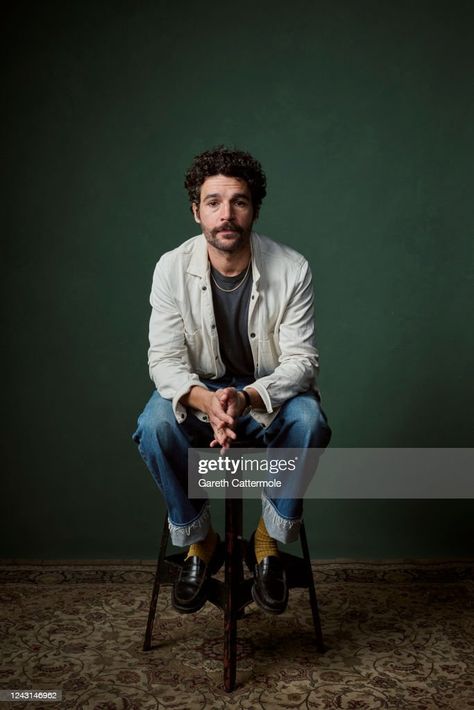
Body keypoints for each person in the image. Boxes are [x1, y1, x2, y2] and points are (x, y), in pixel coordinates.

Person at [133, 146, 331, 616]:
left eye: (238, 201)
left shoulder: (292, 268)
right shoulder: (170, 268)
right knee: (155, 423)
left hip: (265, 397)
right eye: (214, 201)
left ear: (254, 209)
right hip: (201, 396)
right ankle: (201, 541)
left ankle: (268, 540)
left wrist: (245, 397)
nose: (226, 214)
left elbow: (303, 362)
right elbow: (163, 361)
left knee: (310, 418)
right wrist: (206, 400)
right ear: (196, 210)